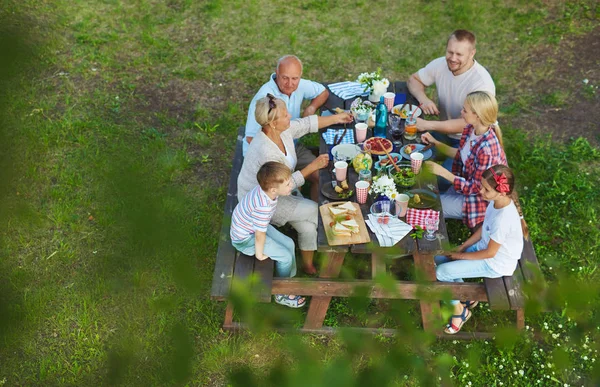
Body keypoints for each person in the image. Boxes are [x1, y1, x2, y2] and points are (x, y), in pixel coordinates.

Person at [238, 94, 353, 275]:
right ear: (273, 123)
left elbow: (305, 124)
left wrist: (338, 117)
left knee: (307, 226)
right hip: (263, 201)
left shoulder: (279, 130)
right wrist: (312, 167)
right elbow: (284, 187)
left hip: (279, 190)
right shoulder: (267, 152)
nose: (290, 116)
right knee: (319, 214)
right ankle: (343, 249)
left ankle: (307, 265)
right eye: (285, 115)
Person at [435, 165, 529, 334]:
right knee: (437, 259)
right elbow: (483, 228)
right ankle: (466, 296)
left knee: (441, 272)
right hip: (484, 249)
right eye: (481, 186)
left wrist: (460, 256)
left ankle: (459, 312)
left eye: (486, 189)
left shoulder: (503, 219)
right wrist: (464, 246)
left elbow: (490, 253)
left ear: (501, 192)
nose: (481, 191)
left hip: (495, 263)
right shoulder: (495, 203)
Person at [422, 91, 507, 229]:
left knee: (429, 206)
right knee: (428, 193)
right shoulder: (470, 129)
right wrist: (435, 142)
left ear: (478, 116)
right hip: (463, 184)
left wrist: (443, 172)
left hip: (477, 200)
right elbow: (462, 155)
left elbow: (475, 188)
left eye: (465, 110)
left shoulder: (487, 151)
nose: (461, 112)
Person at [230, 162, 306, 308]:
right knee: (284, 257)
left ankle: (289, 280)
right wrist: (259, 253)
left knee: (289, 243)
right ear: (273, 189)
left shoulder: (265, 192)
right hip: (246, 239)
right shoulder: (263, 206)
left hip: (253, 227)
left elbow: (260, 227)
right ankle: (281, 293)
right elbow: (260, 235)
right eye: (288, 184)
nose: (291, 185)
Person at [407, 29, 495, 149]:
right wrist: (424, 100)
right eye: (450, 52)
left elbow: (469, 122)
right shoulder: (441, 64)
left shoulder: (482, 84)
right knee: (408, 149)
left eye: (459, 54)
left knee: (438, 168)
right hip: (444, 131)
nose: (453, 58)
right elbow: (413, 80)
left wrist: (427, 125)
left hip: (471, 140)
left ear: (472, 53)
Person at [243, 55, 330, 156]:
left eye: (294, 78)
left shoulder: (299, 84)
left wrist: (311, 108)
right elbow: (251, 138)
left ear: (300, 76)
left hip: (290, 145)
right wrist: (283, 155)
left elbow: (323, 92)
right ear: (277, 73)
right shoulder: (264, 98)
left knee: (321, 167)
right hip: (265, 155)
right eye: (285, 78)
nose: (290, 83)